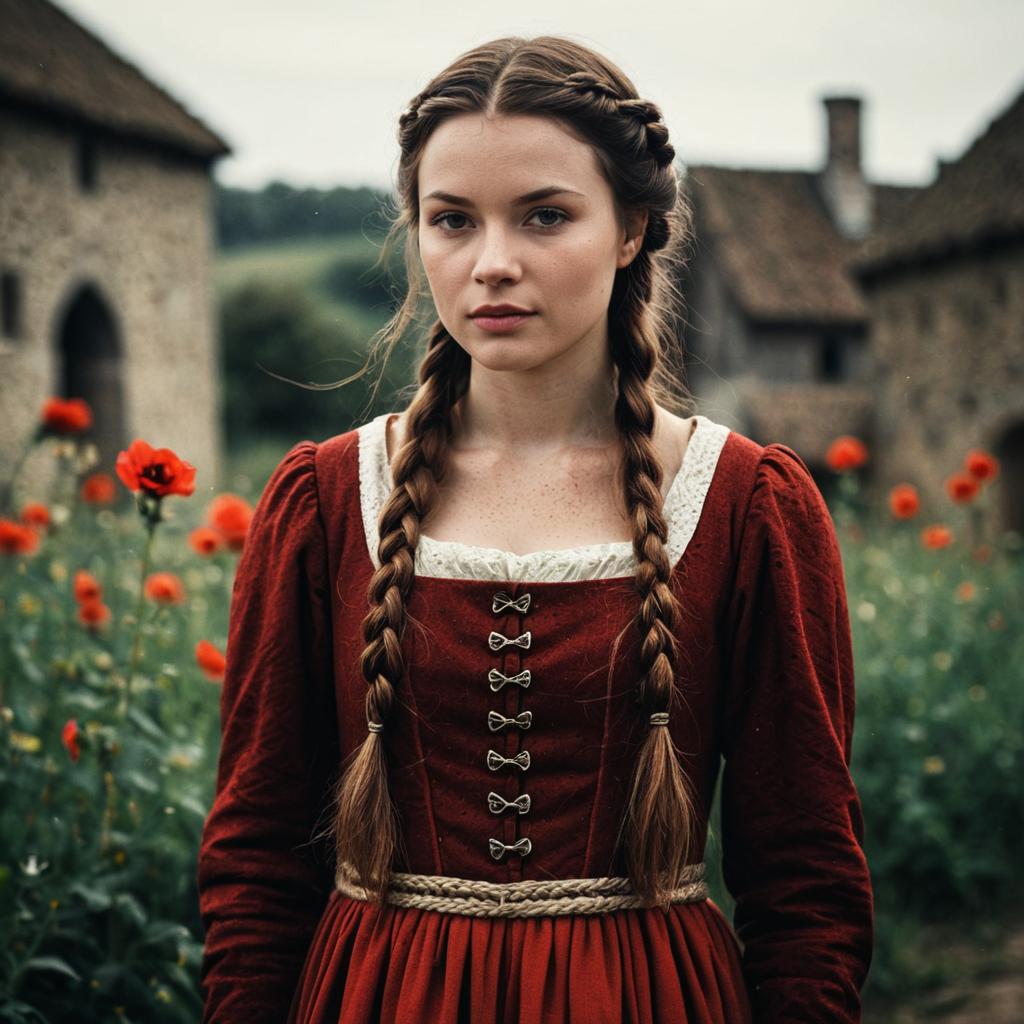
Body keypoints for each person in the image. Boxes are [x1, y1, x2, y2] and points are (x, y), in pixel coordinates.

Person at [196, 34, 874, 1024]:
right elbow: (254, 860)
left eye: (545, 215)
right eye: (452, 220)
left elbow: (807, 879)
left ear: (633, 227)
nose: (492, 263)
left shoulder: (746, 504)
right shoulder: (324, 500)